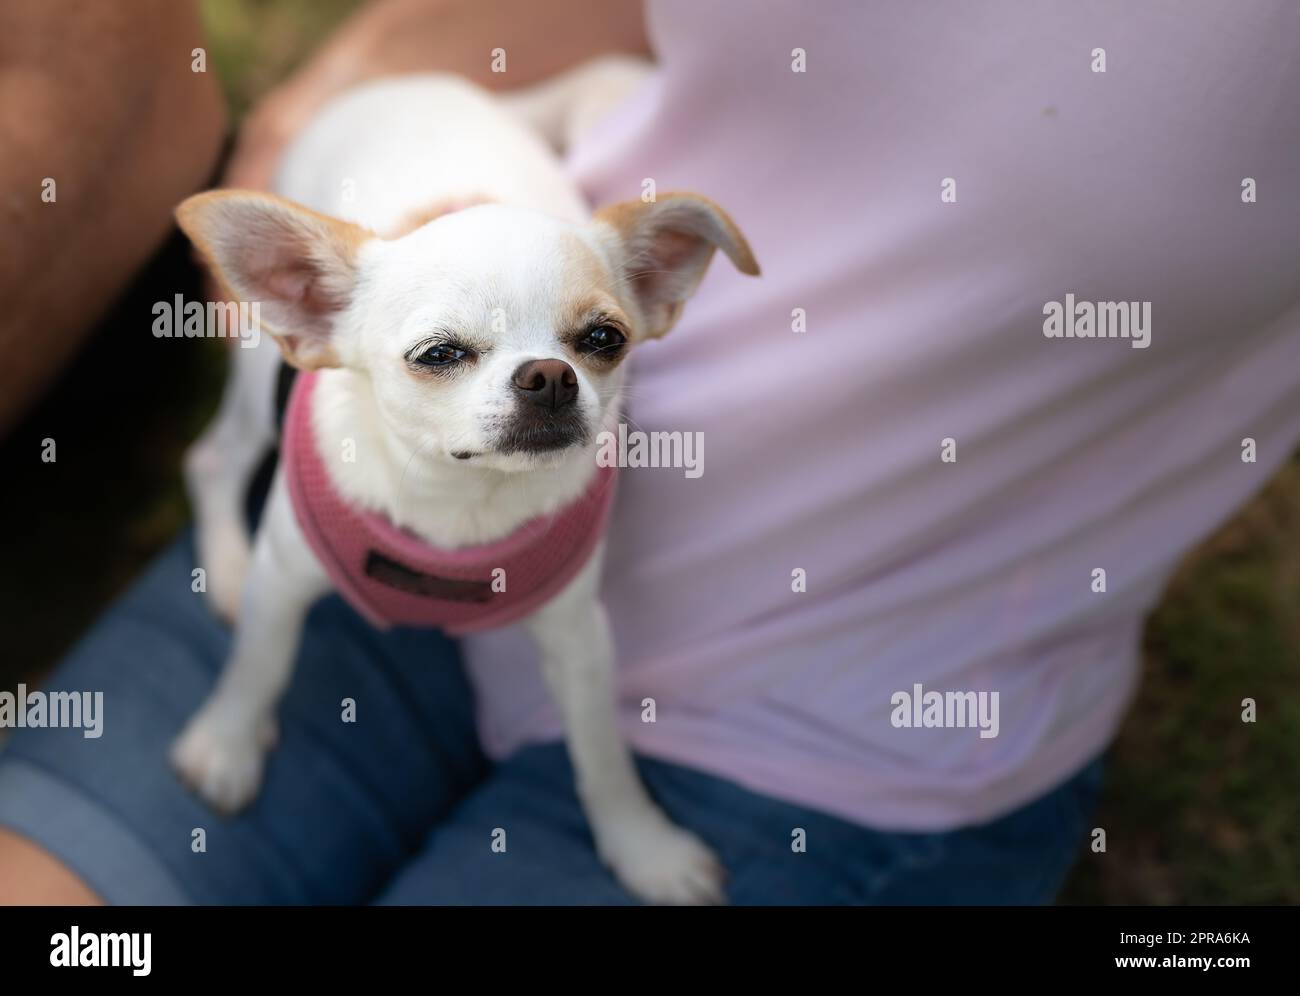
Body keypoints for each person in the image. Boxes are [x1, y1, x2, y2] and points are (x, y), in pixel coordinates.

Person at [2, 0, 1298, 904]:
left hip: (841, 722)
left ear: (660, 292)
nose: (555, 381)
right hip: (387, 550)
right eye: (448, 356)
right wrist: (367, 104)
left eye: (598, 345)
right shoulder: (340, 401)